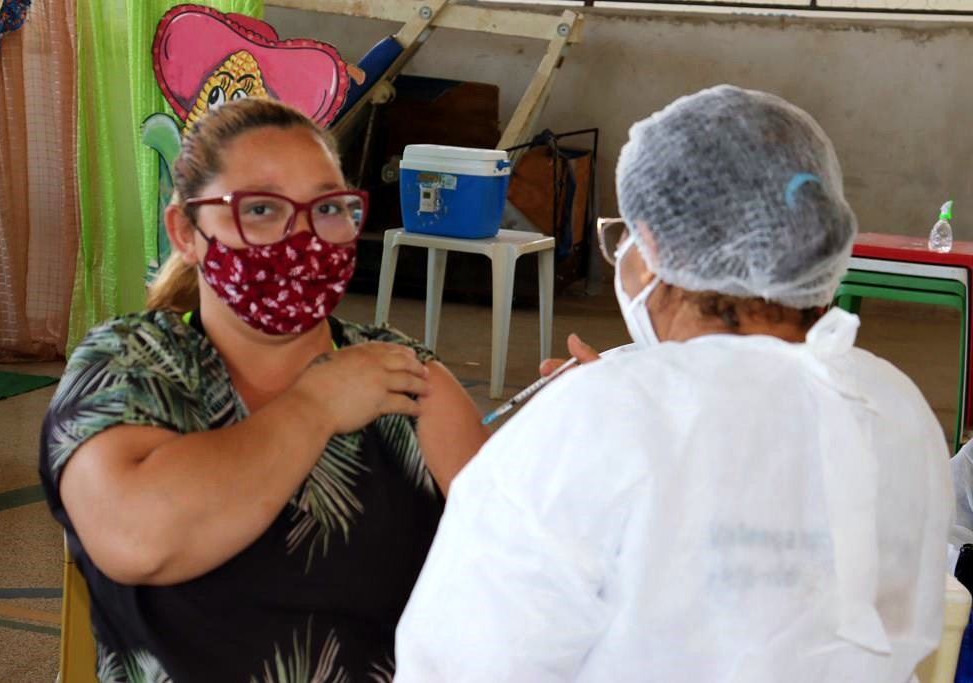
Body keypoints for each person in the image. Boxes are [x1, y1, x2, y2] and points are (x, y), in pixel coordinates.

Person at [394, 85, 953, 682]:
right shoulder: (895, 406)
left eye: (625, 238)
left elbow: (464, 660)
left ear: (656, 246)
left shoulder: (597, 417)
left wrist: (595, 420)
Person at [38, 97, 488, 682]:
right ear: (186, 232)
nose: (301, 235)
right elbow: (139, 537)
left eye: (328, 208)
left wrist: (578, 437)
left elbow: (520, 574)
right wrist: (316, 405)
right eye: (259, 209)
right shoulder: (130, 365)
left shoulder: (405, 377)